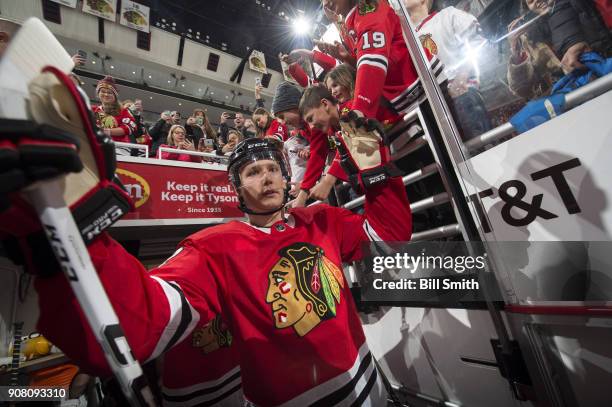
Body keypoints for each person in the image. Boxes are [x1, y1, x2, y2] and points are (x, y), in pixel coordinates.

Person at [1, 63, 412, 405]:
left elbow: (391, 239)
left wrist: (378, 176)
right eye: (253, 172)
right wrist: (65, 234)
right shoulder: (214, 248)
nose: (266, 177)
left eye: (273, 169)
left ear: (288, 180)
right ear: (237, 191)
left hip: (371, 394)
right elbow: (144, 322)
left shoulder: (322, 220)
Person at [405, 0, 493, 140]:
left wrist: (462, 76)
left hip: (459, 94)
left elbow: (477, 42)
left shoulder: (447, 15)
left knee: (480, 146)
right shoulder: (404, 39)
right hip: (431, 103)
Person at [92, 76, 136, 155]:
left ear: (115, 96)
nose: (106, 94)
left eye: (109, 92)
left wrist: (107, 131)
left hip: (119, 148)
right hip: (96, 145)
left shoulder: (123, 111)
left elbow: (130, 127)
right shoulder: (92, 109)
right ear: (98, 94)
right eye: (102, 91)